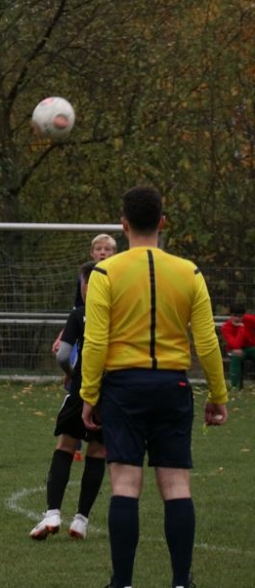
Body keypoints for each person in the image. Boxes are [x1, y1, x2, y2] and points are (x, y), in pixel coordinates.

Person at [80, 186, 228, 588]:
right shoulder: (189, 272)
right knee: (176, 485)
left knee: (125, 485)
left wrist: (89, 394)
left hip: (123, 387)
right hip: (172, 385)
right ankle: (181, 582)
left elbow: (95, 341)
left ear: (123, 224)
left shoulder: (105, 273)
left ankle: (123, 583)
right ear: (163, 222)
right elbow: (207, 341)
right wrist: (218, 394)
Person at [30, 260, 106, 541]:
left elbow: (63, 355)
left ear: (86, 285)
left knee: (65, 446)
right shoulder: (119, 314)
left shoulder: (79, 314)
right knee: (98, 452)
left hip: (82, 386)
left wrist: (73, 375)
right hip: (111, 390)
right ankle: (81, 520)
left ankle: (52, 513)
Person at [220, 303, 255, 390]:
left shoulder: (248, 319)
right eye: (234, 316)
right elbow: (235, 345)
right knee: (236, 356)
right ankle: (235, 386)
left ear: (243, 315)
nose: (237, 319)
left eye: (240, 316)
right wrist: (241, 328)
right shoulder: (226, 327)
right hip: (235, 349)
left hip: (251, 347)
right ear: (230, 315)